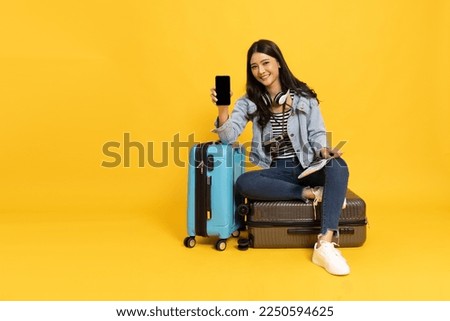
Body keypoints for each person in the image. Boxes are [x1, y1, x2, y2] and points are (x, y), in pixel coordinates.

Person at [210, 39, 350, 276]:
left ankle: (325, 244)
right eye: (254, 67)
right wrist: (223, 109)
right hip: (279, 171)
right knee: (244, 183)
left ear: (279, 63)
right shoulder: (249, 101)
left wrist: (324, 151)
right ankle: (312, 193)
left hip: (308, 166)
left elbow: (316, 133)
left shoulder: (304, 97)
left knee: (338, 164)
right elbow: (228, 136)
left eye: (266, 63)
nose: (261, 71)